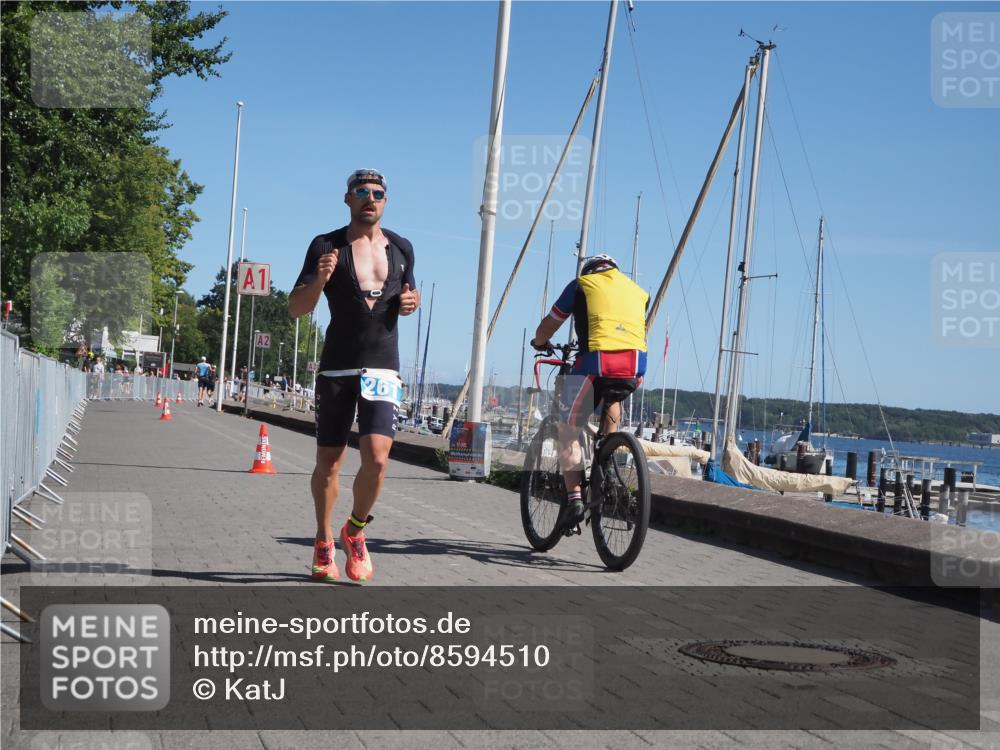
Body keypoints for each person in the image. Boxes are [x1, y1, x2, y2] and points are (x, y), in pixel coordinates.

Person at [288, 168, 419, 583]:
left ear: (385, 200)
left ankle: (355, 530)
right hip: (337, 366)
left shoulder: (401, 248)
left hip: (382, 364)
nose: (370, 198)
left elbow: (406, 297)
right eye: (361, 191)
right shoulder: (325, 245)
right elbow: (297, 307)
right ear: (347, 199)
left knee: (378, 459)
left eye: (378, 193)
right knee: (329, 461)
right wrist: (321, 279)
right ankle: (325, 539)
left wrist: (411, 303)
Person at [529, 254, 649, 527]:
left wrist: (539, 342)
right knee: (613, 394)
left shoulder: (581, 285)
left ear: (590, 270)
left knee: (566, 429)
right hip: (633, 367)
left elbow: (551, 323)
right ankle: (606, 455)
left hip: (594, 363)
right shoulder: (638, 292)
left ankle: (574, 500)